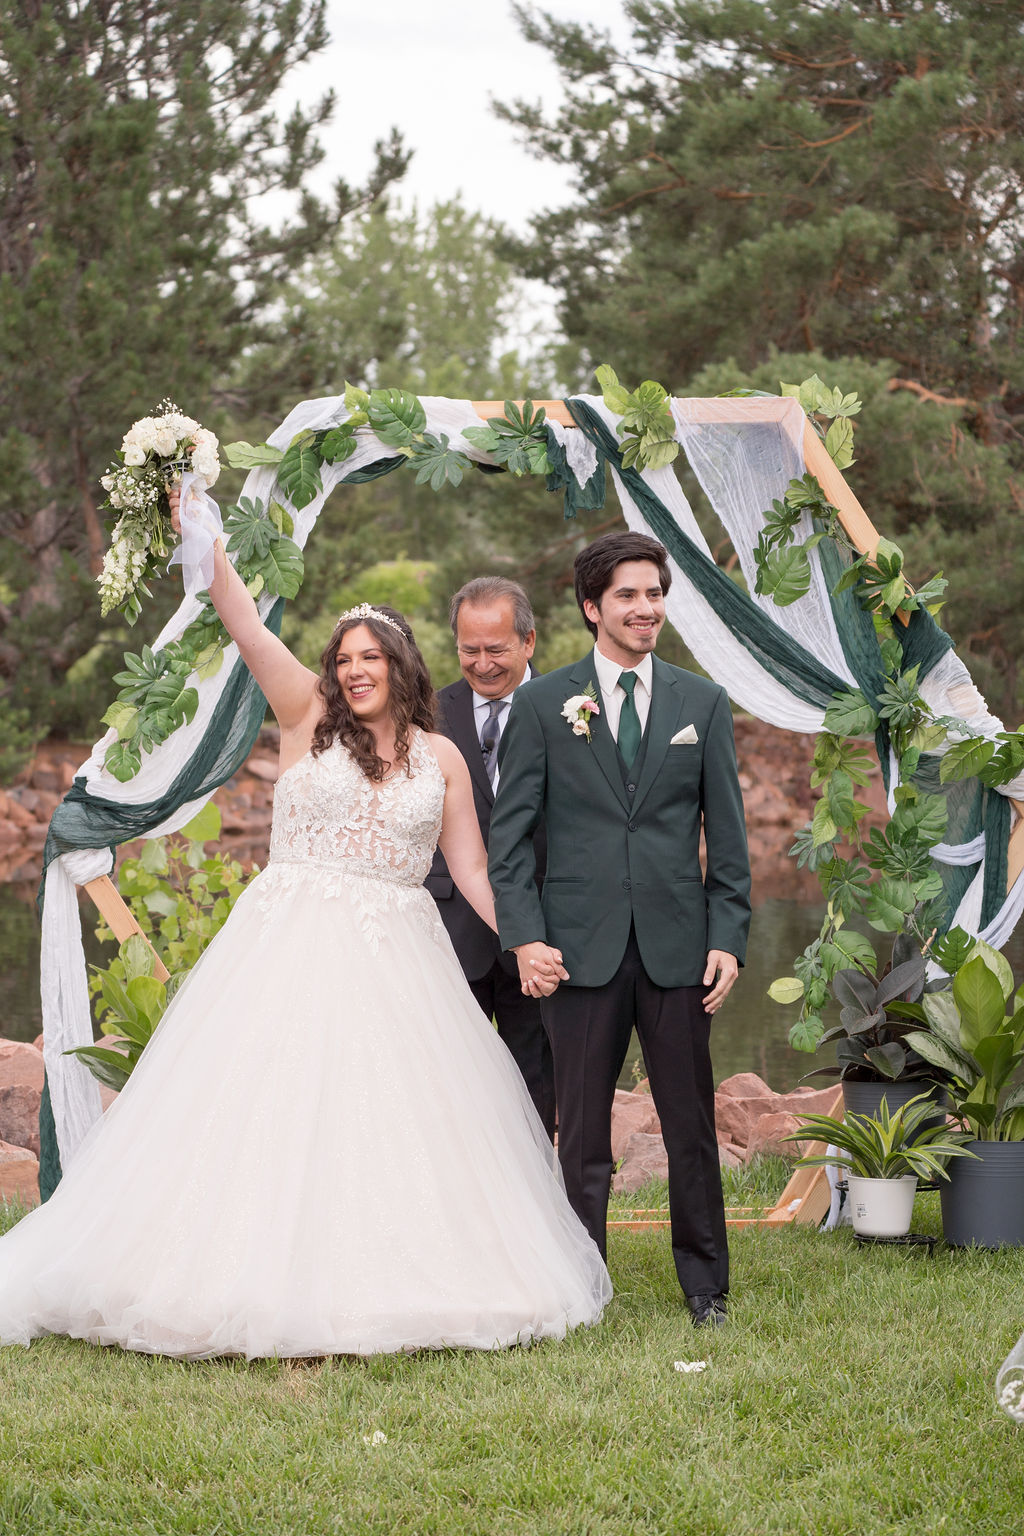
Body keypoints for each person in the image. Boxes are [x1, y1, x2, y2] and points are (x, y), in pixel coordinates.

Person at [0, 504, 610, 1359]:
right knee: (260, 1110)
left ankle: (395, 1281)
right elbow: (242, 619)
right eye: (344, 658)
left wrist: (527, 939)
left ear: (401, 666)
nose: (354, 671)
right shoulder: (304, 713)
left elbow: (474, 873)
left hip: (401, 960)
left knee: (391, 1124)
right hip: (286, 947)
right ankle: (215, 1276)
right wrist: (200, 524)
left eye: (371, 658)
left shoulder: (442, 759)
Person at [488, 530, 751, 1330]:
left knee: (690, 1126)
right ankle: (582, 1284)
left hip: (678, 949)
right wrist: (526, 938)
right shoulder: (541, 705)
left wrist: (729, 937)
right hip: (579, 950)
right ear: (591, 606)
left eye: (655, 594)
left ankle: (706, 1288)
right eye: (629, 595)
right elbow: (510, 841)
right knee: (581, 1137)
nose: (646, 609)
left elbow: (728, 838)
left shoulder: (699, 703)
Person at [425, 577, 555, 1138]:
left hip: (545, 928)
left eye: (496, 649)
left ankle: (536, 1203)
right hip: (450, 927)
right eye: (468, 650)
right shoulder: (426, 713)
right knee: (448, 1083)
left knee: (539, 1083)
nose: (481, 664)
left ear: (528, 641)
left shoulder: (572, 708)